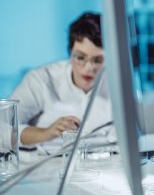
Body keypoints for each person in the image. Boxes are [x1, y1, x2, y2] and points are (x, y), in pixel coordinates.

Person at [10, 12, 112, 147]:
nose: (89, 68)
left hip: (101, 165)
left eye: (98, 60)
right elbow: (2, 127)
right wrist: (45, 133)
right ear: (70, 53)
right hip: (43, 164)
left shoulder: (116, 84)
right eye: (80, 57)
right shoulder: (41, 80)